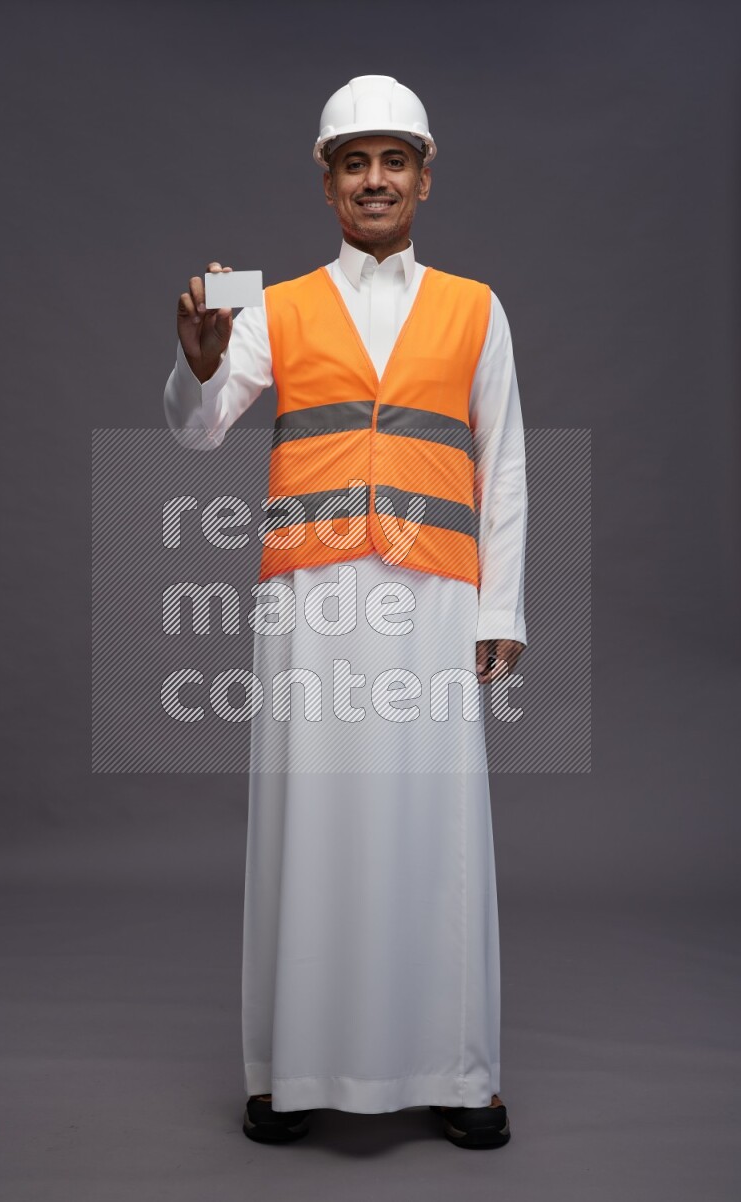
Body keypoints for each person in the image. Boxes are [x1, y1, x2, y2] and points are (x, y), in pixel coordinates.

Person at [163, 74, 528, 1150]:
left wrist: (500, 608)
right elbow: (197, 428)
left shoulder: (477, 306)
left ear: (424, 178)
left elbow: (503, 463)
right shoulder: (269, 306)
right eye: (353, 163)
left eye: (393, 161)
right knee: (306, 815)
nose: (375, 179)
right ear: (325, 184)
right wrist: (194, 368)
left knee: (435, 823)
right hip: (310, 598)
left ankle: (459, 1071)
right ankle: (292, 1069)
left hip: (435, 594)